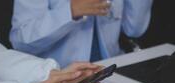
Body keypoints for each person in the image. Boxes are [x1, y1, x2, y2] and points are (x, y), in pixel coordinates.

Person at [10, 0, 153, 67]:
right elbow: (20, 41)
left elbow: (134, 30)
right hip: (59, 77)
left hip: (112, 70)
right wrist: (70, 12)